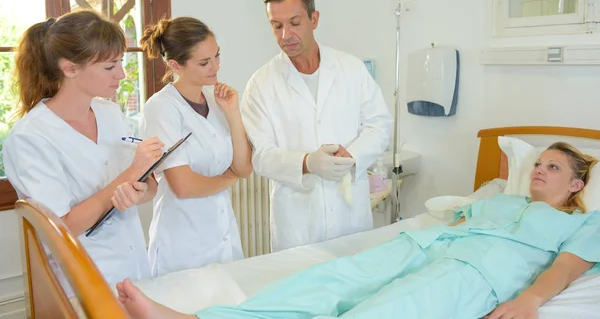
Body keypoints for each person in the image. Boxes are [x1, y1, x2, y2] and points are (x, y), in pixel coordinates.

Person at [116, 141, 600, 318]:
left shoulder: (581, 221)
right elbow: (449, 212)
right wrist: (461, 213)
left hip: (474, 272)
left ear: (577, 183)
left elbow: (568, 266)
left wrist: (530, 300)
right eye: (537, 162)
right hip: (423, 243)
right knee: (329, 281)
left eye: (552, 168)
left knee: (385, 309)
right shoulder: (501, 197)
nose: (538, 170)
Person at [3, 10, 163, 287]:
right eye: (110, 66)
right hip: (83, 278)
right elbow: (62, 226)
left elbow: (149, 188)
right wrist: (130, 174)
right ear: (70, 68)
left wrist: (139, 189)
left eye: (121, 62)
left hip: (135, 265)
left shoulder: (111, 114)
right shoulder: (30, 138)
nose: (122, 74)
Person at [240, 0, 393, 252]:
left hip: (350, 218)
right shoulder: (261, 84)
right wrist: (306, 163)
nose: (285, 34)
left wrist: (352, 155)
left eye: (295, 22)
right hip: (298, 226)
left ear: (314, 19)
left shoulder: (350, 68)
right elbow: (260, 156)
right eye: (276, 25)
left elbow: (379, 124)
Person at [139, 17, 252, 277]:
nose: (215, 66)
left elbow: (244, 168)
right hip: (183, 245)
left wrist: (233, 113)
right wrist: (228, 178)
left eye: (217, 56)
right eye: (204, 62)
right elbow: (184, 185)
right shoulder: (162, 108)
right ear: (175, 65)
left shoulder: (217, 99)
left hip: (223, 237)